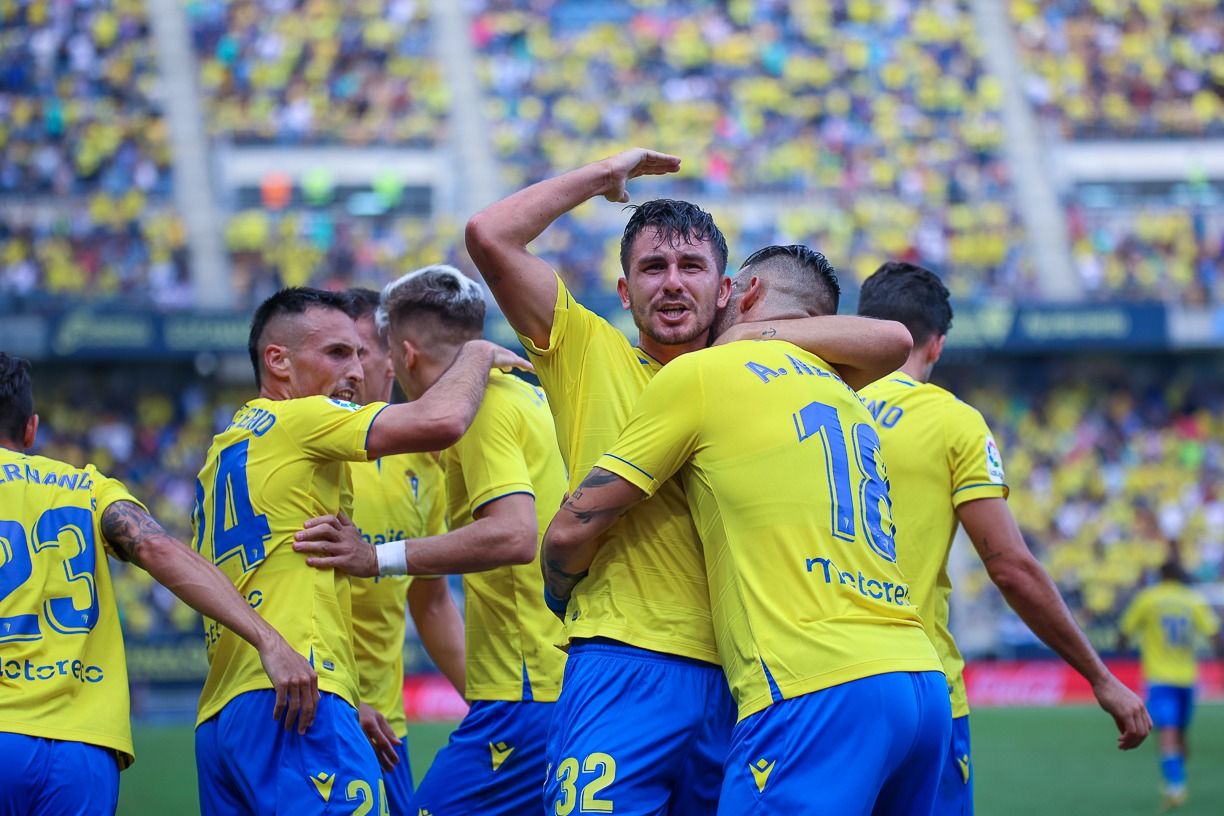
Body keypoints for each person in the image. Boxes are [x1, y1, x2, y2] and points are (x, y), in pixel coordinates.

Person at [465, 149, 912, 813]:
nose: (672, 283)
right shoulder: (586, 348)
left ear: (726, 288)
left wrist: (755, 338)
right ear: (624, 291)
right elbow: (488, 235)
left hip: (745, 679)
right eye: (652, 267)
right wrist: (599, 177)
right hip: (623, 661)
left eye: (691, 267)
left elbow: (890, 342)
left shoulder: (757, 377)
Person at [542, 245, 948, 815]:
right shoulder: (844, 390)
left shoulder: (707, 372)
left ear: (746, 292)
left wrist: (559, 590)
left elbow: (569, 530)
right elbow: (892, 342)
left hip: (813, 680)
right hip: (920, 682)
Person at [193, 287, 529, 815]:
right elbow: (443, 420)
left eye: (360, 353)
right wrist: (477, 354)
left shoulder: (222, 452)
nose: (359, 370)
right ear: (277, 361)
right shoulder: (304, 422)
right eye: (337, 354)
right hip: (303, 696)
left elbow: (432, 603)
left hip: (226, 710)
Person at [856, 261, 1152, 814]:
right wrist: (1101, 678)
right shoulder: (953, 420)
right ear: (937, 345)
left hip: (820, 684)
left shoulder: (810, 406)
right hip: (922, 685)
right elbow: (1009, 567)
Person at [295, 267, 568, 815]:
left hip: (526, 689)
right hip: (545, 681)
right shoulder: (531, 400)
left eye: (380, 352)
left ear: (407, 354)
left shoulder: (483, 413)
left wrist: (375, 558)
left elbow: (514, 534)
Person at [0, 352, 316, 816]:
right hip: (82, 749)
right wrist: (268, 638)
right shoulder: (85, 486)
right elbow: (157, 548)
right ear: (31, 428)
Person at [343, 287, 466, 814]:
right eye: (367, 350)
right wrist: (342, 703)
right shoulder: (302, 451)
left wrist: (484, 699)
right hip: (319, 710)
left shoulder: (421, 461)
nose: (388, 364)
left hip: (388, 730)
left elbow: (431, 601)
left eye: (391, 349)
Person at [1119, 558, 1221, 811]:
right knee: (1180, 734)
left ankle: (1175, 786)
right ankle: (1178, 780)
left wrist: (1121, 648)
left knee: (1168, 733)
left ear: (1160, 576)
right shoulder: (1192, 599)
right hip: (1187, 678)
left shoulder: (1148, 599)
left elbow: (1124, 631)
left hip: (1160, 678)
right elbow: (1214, 634)